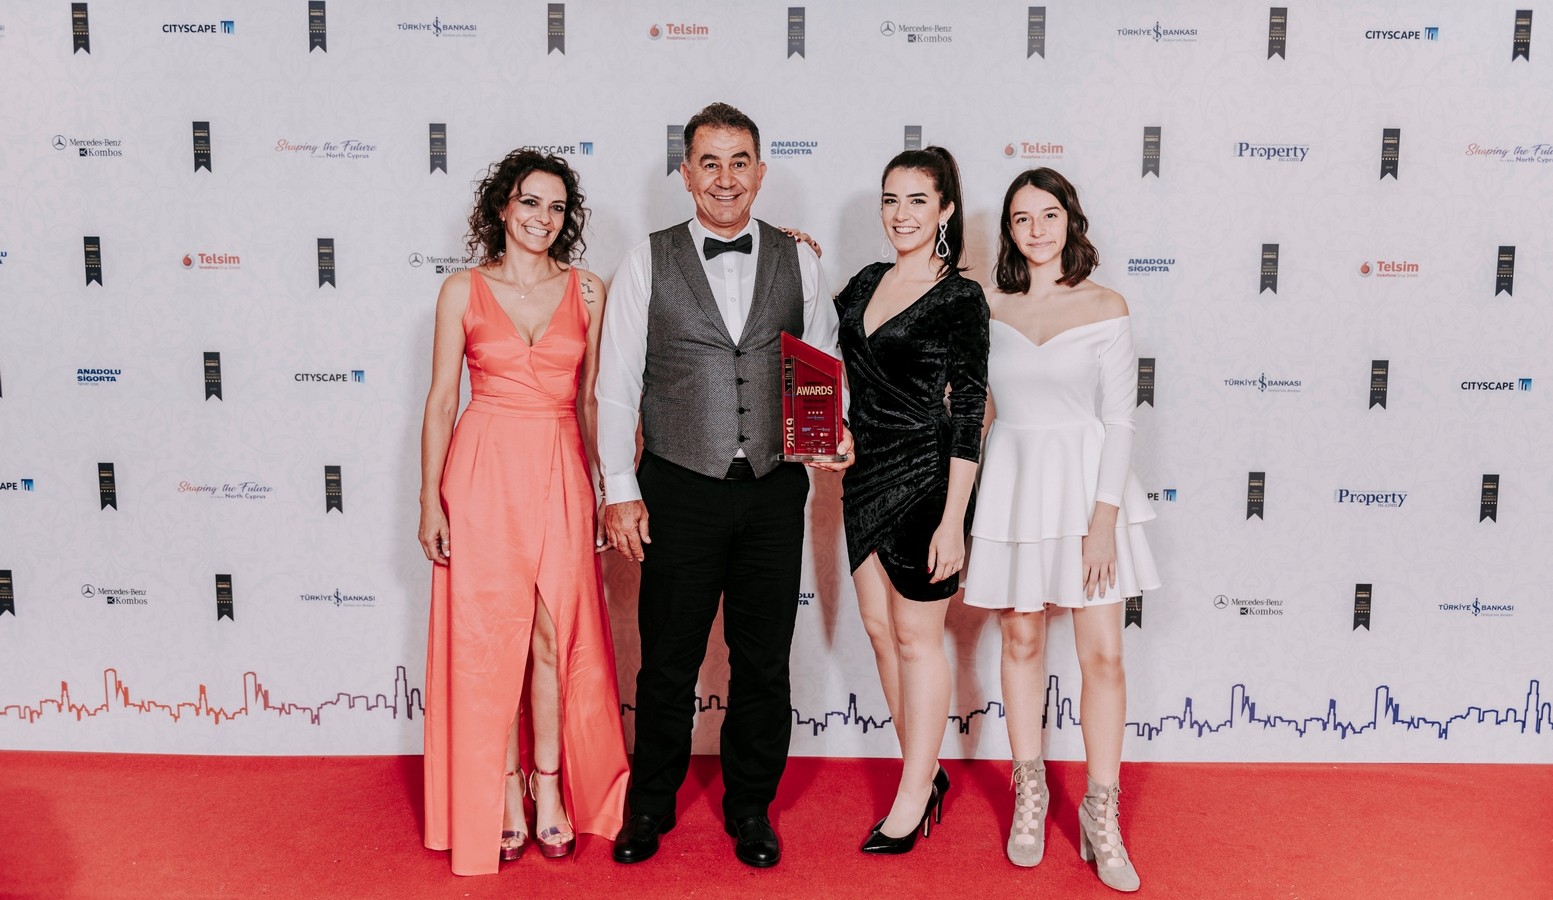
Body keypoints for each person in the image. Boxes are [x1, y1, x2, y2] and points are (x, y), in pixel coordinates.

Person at [597, 101, 849, 869]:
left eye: (739, 161)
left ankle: (750, 809)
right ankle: (649, 806)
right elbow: (616, 384)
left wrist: (831, 433)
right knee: (667, 660)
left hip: (773, 490)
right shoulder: (646, 260)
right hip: (677, 487)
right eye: (709, 162)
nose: (725, 177)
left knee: (763, 661)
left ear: (760, 172)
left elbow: (823, 361)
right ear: (685, 173)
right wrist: (618, 487)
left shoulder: (799, 261)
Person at [418, 149, 629, 874]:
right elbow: (441, 401)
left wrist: (607, 490)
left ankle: (549, 786)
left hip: (560, 465)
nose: (544, 218)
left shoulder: (589, 290)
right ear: (503, 207)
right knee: (490, 637)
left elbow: (593, 400)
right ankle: (502, 789)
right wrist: (429, 500)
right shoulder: (461, 289)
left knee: (551, 634)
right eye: (531, 202)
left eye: (557, 207)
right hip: (481, 472)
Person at [963, 167, 1161, 892]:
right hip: (1015, 487)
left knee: (1102, 655)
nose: (1036, 229)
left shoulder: (1105, 305)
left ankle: (1099, 812)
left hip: (1087, 493)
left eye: (1048, 214)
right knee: (1020, 641)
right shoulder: (986, 306)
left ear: (1070, 220)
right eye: (1021, 218)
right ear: (1009, 231)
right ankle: (1031, 791)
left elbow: (1119, 420)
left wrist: (1102, 522)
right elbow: (977, 408)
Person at [834, 146, 989, 854]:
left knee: (917, 638)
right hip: (863, 475)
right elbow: (829, 364)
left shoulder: (960, 298)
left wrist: (954, 521)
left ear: (945, 210)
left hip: (928, 476)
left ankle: (912, 792)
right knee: (878, 629)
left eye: (918, 200)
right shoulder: (864, 282)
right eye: (890, 199)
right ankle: (923, 772)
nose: (901, 214)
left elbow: (971, 409)